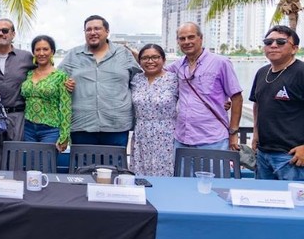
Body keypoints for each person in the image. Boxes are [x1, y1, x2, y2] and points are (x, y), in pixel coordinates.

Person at [60, 15, 141, 147]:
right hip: (82, 125)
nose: (93, 33)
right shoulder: (73, 55)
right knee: (83, 167)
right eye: (88, 29)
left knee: (116, 166)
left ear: (107, 31)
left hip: (117, 125)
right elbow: (56, 79)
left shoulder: (123, 54)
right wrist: (64, 84)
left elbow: (140, 81)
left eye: (97, 28)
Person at [170, 22, 242, 151]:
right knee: (181, 172)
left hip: (213, 140)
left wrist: (233, 133)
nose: (187, 42)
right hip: (182, 139)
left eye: (191, 37)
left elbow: (237, 98)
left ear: (200, 38)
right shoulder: (177, 66)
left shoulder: (221, 63)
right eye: (182, 38)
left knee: (216, 172)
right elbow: (154, 70)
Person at [0, 18, 35, 167]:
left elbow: (44, 70)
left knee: (15, 158)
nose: (1, 34)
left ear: (13, 34)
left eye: (5, 30)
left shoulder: (26, 57)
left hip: (17, 115)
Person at [250, 26, 304, 180]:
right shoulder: (262, 72)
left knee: (296, 203)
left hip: (292, 156)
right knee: (263, 200)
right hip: (263, 154)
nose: (273, 45)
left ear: (294, 49)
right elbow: (257, 104)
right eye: (268, 42)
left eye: (281, 42)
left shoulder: (301, 72)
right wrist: (256, 133)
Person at [21, 35, 71, 169]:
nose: (41, 53)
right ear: (33, 53)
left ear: (52, 52)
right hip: (28, 128)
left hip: (51, 130)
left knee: (46, 167)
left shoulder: (61, 76)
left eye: (45, 49)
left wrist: (64, 135)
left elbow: (66, 107)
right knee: (30, 167)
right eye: (37, 50)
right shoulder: (28, 74)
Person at [130, 44, 178, 176]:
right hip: (141, 133)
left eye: (155, 57)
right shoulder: (136, 79)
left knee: (165, 173)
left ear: (163, 59)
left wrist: (224, 102)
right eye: (145, 58)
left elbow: (191, 99)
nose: (150, 61)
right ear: (139, 61)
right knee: (140, 173)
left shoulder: (174, 79)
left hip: (166, 134)